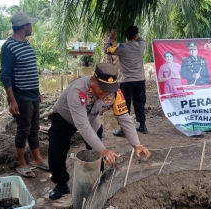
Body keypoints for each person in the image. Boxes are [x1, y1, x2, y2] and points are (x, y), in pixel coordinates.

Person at [47, 63, 151, 200]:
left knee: (97, 154)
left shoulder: (115, 93)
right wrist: (103, 150)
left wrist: (137, 144)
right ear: (93, 81)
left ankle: (97, 183)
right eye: (103, 89)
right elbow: (82, 125)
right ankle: (61, 184)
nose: (107, 93)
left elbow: (124, 118)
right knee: (56, 152)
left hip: (91, 119)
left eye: (110, 89)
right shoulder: (78, 90)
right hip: (64, 117)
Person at [0, 12, 48, 178]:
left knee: (34, 129)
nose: (32, 27)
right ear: (25, 26)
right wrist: (12, 101)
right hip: (21, 97)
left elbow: (29, 71)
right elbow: (5, 75)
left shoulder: (26, 43)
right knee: (23, 130)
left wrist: (37, 92)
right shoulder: (8, 47)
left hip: (33, 96)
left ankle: (37, 159)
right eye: (30, 25)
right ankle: (21, 163)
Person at [104, 25, 147, 137]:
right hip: (140, 80)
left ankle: (124, 129)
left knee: (124, 105)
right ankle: (142, 125)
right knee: (140, 103)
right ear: (136, 36)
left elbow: (106, 50)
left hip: (126, 81)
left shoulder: (121, 47)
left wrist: (111, 37)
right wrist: (136, 36)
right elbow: (141, 39)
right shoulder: (141, 46)